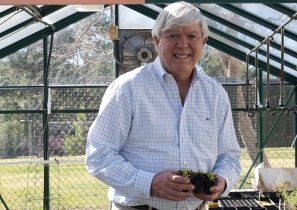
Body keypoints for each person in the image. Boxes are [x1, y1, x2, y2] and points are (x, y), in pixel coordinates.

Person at [85, 2, 241, 210]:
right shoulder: (128, 88)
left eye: (192, 36)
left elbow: (229, 155)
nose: (183, 44)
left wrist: (221, 181)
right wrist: (149, 184)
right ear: (157, 41)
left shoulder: (215, 94)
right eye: (173, 35)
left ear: (204, 42)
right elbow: (99, 154)